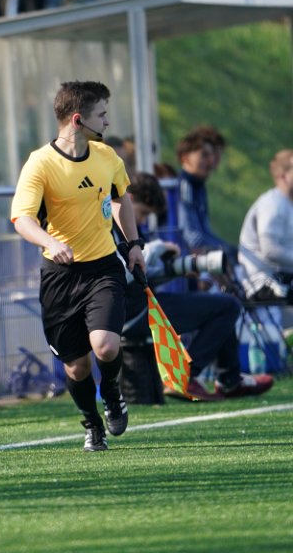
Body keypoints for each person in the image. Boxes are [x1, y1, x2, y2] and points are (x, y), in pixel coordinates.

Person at [10, 80, 146, 451]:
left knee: (105, 347)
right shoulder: (40, 163)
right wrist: (51, 243)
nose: (107, 121)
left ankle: (113, 391)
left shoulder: (107, 156)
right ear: (77, 119)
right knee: (77, 367)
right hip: (60, 277)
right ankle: (92, 422)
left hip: (103, 268)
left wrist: (133, 245)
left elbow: (121, 199)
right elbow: (22, 219)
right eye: (101, 114)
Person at [119, 172, 274, 401]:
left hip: (137, 307)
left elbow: (140, 276)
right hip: (134, 312)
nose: (142, 220)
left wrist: (178, 269)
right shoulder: (113, 227)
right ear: (129, 199)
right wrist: (158, 248)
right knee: (228, 307)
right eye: (143, 213)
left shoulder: (124, 226)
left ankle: (229, 380)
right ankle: (188, 376)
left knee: (223, 303)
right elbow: (122, 273)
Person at [239, 150, 293, 305]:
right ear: (284, 176)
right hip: (263, 284)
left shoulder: (287, 204)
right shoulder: (273, 204)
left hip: (281, 278)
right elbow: (270, 251)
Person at [176, 125, 237, 263]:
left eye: (214, 155)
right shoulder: (184, 186)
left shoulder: (198, 186)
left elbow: (204, 231)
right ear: (185, 158)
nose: (212, 161)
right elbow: (192, 237)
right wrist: (224, 250)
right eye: (204, 155)